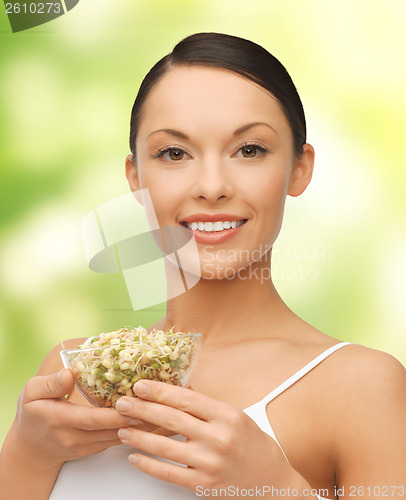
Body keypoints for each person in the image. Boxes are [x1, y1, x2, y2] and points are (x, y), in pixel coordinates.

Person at [1, 32, 405, 500]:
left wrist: (277, 489)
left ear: (299, 168)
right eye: (174, 153)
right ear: (136, 178)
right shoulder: (76, 373)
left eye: (249, 150)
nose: (211, 186)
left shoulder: (358, 386)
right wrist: (26, 452)